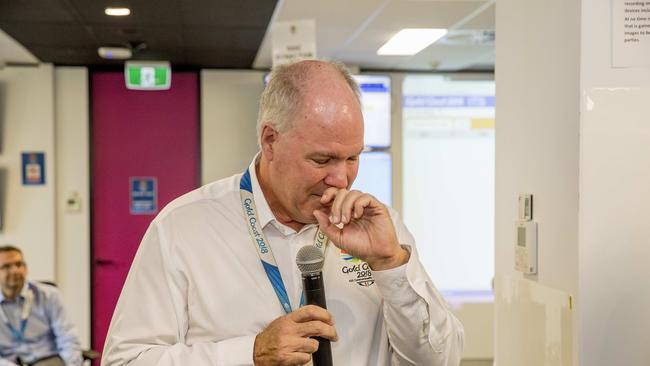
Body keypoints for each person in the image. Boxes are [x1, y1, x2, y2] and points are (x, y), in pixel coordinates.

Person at [102, 59, 464, 365]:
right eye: (322, 159)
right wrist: (250, 353)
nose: (341, 179)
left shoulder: (378, 229)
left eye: (353, 157)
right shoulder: (183, 227)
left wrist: (391, 264)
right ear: (270, 140)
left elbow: (439, 358)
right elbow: (127, 360)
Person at [0, 246, 82, 366]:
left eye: (19, 264)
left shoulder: (49, 295)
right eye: (7, 266)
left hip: (48, 360)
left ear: (26, 268)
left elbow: (68, 337)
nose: (15, 271)